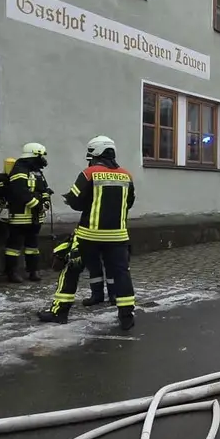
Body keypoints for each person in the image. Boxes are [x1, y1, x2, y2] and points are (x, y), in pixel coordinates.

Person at [63, 135, 137, 331]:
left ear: (94, 153)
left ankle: (60, 312)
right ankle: (126, 316)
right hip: (118, 235)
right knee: (122, 274)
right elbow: (129, 202)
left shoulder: (90, 173)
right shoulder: (126, 175)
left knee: (73, 269)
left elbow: (75, 201)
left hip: (90, 234)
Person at [2, 143, 52, 283]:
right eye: (41, 155)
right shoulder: (19, 170)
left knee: (33, 246)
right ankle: (11, 273)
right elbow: (19, 191)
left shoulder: (36, 171)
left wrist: (45, 201)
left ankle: (33, 271)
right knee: (14, 246)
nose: (43, 159)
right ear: (35, 154)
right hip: (20, 216)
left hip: (35, 217)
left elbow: (44, 189)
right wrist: (36, 204)